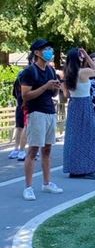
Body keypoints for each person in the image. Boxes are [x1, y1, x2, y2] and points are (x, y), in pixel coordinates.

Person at [19, 39, 63, 200]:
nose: (50, 51)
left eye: (50, 48)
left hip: (50, 111)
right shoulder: (29, 72)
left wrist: (54, 89)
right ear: (37, 53)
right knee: (33, 150)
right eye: (46, 49)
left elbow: (51, 94)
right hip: (36, 113)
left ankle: (46, 183)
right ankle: (28, 187)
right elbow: (26, 95)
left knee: (47, 149)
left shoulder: (51, 71)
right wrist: (45, 86)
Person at [62, 48, 95, 180]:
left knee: (74, 138)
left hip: (74, 104)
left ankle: (74, 169)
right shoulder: (83, 72)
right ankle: (89, 169)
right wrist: (88, 56)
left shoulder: (68, 73)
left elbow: (67, 95)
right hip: (85, 104)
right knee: (92, 137)